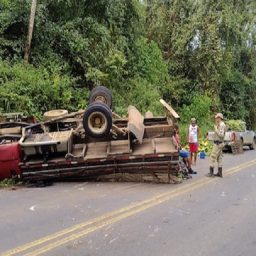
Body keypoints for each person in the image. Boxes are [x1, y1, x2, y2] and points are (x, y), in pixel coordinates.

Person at [208, 113, 226, 177]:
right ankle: (219, 173)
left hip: (218, 143)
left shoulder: (221, 125)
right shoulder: (219, 124)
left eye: (216, 118)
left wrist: (216, 129)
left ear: (219, 118)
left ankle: (211, 173)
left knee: (212, 157)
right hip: (220, 143)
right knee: (219, 158)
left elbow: (221, 135)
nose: (215, 119)